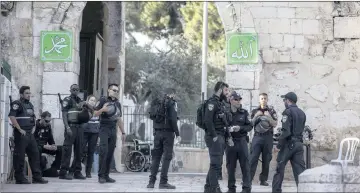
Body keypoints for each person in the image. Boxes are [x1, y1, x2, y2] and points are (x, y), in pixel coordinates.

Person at [8, 85, 48, 184]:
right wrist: (19, 129)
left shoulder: (30, 104)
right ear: (21, 94)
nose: (29, 95)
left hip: (30, 134)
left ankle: (37, 177)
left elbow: (33, 117)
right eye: (26, 93)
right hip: (21, 134)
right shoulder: (17, 103)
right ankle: (20, 178)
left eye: (29, 93)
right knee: (20, 156)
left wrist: (34, 127)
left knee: (35, 154)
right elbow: (12, 117)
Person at [147, 88, 181, 189]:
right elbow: (173, 119)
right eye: (174, 94)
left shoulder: (157, 103)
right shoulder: (171, 103)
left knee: (156, 158)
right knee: (167, 157)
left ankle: (151, 182)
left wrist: (155, 131)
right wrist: (177, 134)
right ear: (172, 94)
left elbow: (153, 118)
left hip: (157, 133)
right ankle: (163, 182)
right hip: (168, 134)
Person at [272, 92, 306, 193]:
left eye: (284, 100)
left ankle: (276, 191)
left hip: (288, 145)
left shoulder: (287, 112)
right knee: (300, 172)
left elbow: (286, 132)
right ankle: (304, 190)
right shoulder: (302, 113)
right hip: (299, 144)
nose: (284, 102)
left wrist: (278, 146)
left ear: (288, 101)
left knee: (279, 170)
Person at [94, 84, 126, 183]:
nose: (115, 92)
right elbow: (94, 114)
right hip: (104, 127)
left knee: (110, 153)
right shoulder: (103, 100)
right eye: (114, 90)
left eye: (117, 91)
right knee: (104, 151)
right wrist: (102, 110)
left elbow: (119, 118)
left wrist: (123, 132)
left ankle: (106, 175)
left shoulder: (118, 103)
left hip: (113, 129)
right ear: (109, 90)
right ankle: (101, 176)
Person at [203, 81, 230, 193]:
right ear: (220, 90)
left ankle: (208, 187)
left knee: (215, 163)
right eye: (226, 90)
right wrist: (214, 135)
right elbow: (207, 120)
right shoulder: (212, 103)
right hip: (215, 136)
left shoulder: (220, 102)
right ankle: (214, 188)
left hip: (220, 135)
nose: (227, 93)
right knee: (216, 164)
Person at [59, 84, 88, 180]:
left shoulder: (80, 101)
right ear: (70, 90)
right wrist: (67, 127)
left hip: (79, 128)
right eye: (73, 89)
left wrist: (85, 105)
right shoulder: (67, 100)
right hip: (71, 127)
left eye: (77, 89)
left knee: (79, 151)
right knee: (67, 150)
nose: (75, 91)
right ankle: (63, 172)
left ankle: (77, 171)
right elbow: (64, 114)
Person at [226, 92, 252, 193]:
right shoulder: (226, 113)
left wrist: (240, 128)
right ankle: (231, 188)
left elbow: (250, 126)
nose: (238, 101)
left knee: (245, 166)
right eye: (236, 99)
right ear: (231, 100)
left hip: (242, 142)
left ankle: (246, 188)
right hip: (230, 142)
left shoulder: (244, 113)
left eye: (239, 99)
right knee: (230, 167)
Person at [249, 93, 278, 186]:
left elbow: (275, 124)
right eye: (262, 98)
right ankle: (248, 179)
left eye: (265, 98)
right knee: (253, 158)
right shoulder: (254, 111)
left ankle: (263, 180)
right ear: (259, 100)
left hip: (268, 137)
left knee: (267, 159)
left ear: (267, 100)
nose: (263, 100)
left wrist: (268, 117)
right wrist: (256, 115)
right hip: (257, 137)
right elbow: (250, 124)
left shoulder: (271, 111)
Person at [34, 111, 62, 177]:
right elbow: (33, 140)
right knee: (39, 149)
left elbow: (50, 138)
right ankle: (37, 171)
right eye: (46, 121)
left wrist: (53, 145)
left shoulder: (48, 126)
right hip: (37, 146)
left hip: (45, 147)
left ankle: (54, 168)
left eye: (49, 121)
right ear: (42, 118)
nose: (48, 123)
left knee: (61, 149)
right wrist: (43, 145)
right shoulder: (35, 125)